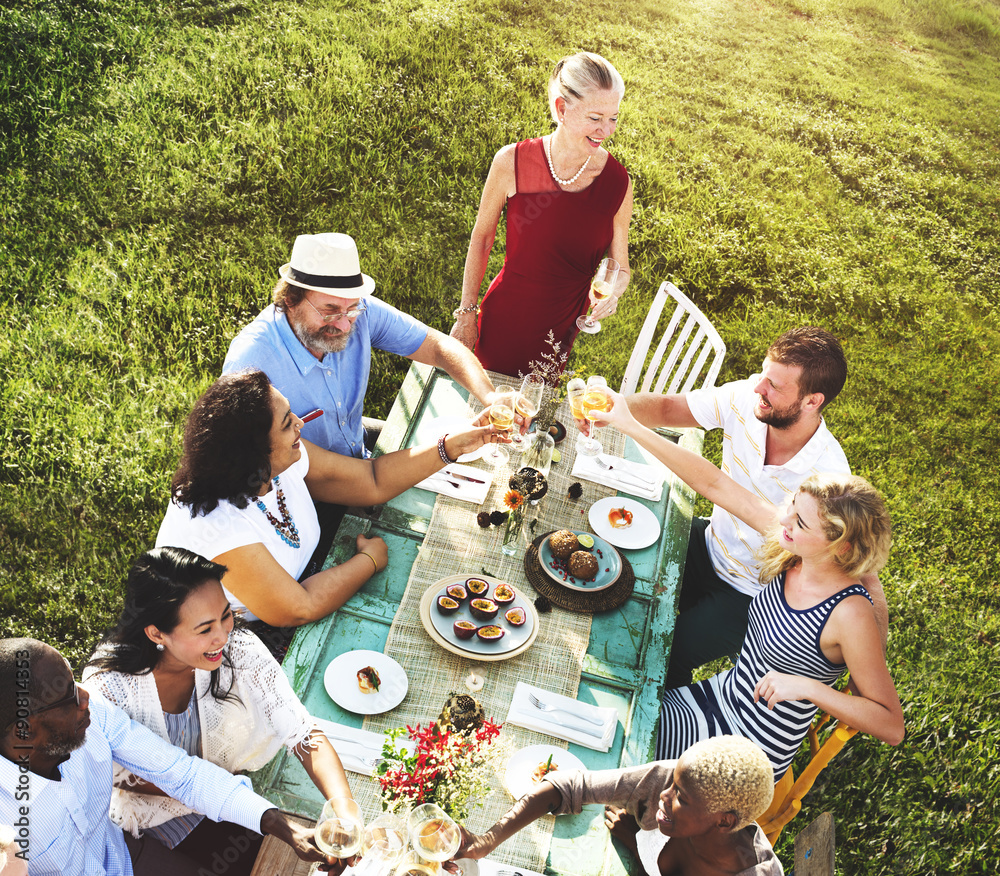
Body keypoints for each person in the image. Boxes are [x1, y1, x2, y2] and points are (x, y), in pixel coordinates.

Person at [593, 391, 905, 778]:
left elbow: (890, 725)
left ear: (839, 547)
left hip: (748, 750)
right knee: (609, 713)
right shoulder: (794, 549)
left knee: (615, 756)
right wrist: (629, 424)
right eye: (791, 507)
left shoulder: (848, 614)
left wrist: (810, 689)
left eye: (800, 522)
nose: (784, 521)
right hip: (716, 700)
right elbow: (715, 485)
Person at [625, 326, 888, 688]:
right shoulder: (748, 398)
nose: (758, 388)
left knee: (664, 651)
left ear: (813, 401)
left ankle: (663, 730)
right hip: (711, 542)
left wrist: (872, 661)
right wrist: (613, 408)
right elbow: (670, 408)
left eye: (775, 386)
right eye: (764, 375)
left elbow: (861, 571)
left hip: (752, 594)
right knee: (623, 578)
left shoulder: (826, 478)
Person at [155, 368, 498, 642]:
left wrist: (452, 446)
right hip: (236, 640)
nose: (301, 425)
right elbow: (298, 608)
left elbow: (372, 479)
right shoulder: (220, 526)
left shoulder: (277, 463)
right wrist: (368, 561)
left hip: (308, 582)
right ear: (253, 453)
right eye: (288, 423)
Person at [82, 547, 354, 876]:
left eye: (226, 614)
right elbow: (152, 779)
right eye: (204, 629)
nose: (224, 636)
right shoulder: (108, 689)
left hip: (234, 801)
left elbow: (303, 733)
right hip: (154, 825)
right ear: (157, 634)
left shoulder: (238, 648)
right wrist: (227, 799)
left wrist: (344, 810)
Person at [0, 638, 333, 876]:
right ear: (24, 732)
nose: (86, 697)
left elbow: (182, 774)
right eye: (68, 697)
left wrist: (280, 824)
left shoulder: (93, 715)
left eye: (74, 683)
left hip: (128, 858)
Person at [224, 232, 496, 459]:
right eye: (329, 310)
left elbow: (438, 347)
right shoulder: (251, 361)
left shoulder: (359, 311)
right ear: (290, 301)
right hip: (309, 491)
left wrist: (491, 398)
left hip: (358, 446)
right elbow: (253, 463)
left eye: (352, 309)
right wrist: (445, 449)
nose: (344, 325)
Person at [450, 52, 634, 376]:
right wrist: (466, 314)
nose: (606, 130)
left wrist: (612, 294)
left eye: (613, 118)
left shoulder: (618, 183)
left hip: (561, 330)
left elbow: (620, 267)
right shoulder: (511, 163)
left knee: (529, 412)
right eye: (595, 118)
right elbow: (481, 239)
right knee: (483, 406)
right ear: (562, 109)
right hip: (505, 319)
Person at [457, 736, 782, 876]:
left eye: (680, 797)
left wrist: (637, 845)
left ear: (724, 821)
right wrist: (487, 841)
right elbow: (568, 785)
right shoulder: (672, 782)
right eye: (672, 784)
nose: (663, 796)